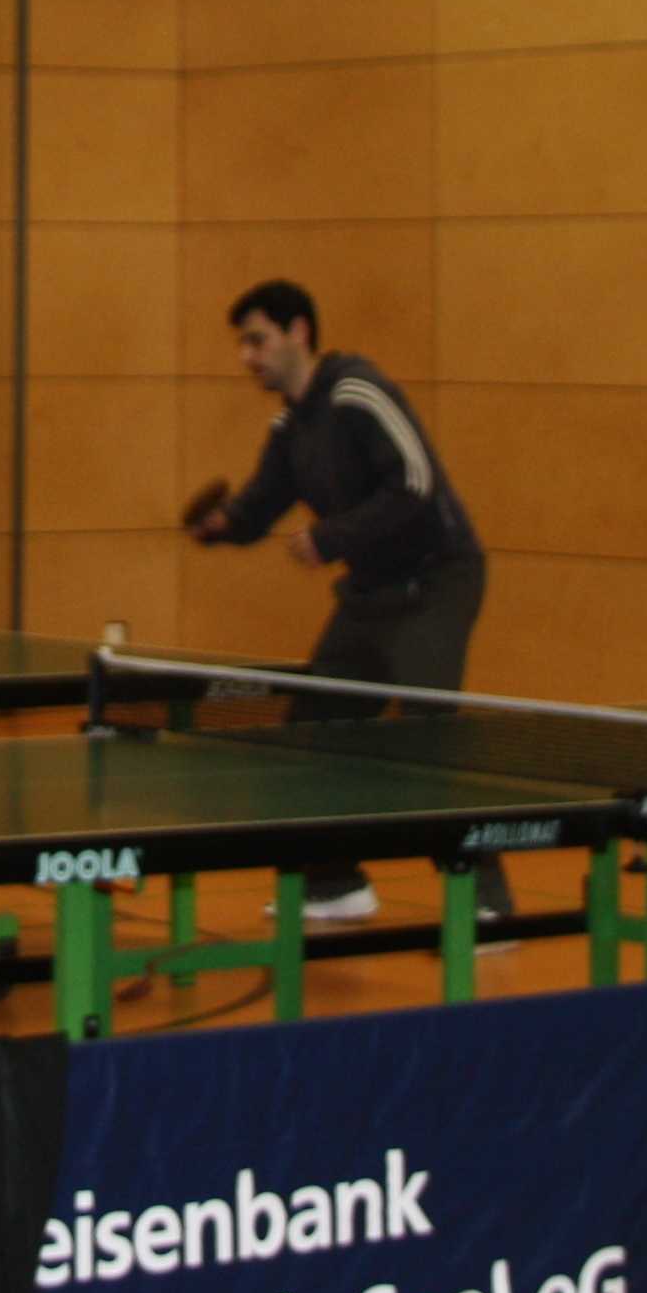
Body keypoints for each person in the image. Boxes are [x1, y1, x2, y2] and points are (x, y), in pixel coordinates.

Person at [182, 279, 510, 931]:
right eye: (242, 344)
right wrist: (224, 526)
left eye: (257, 341)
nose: (247, 357)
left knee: (428, 736)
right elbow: (261, 503)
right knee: (315, 728)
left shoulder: (358, 392)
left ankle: (487, 901)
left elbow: (414, 482)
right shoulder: (290, 426)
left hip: (436, 583)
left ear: (299, 332)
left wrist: (330, 537)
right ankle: (334, 881)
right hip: (370, 593)